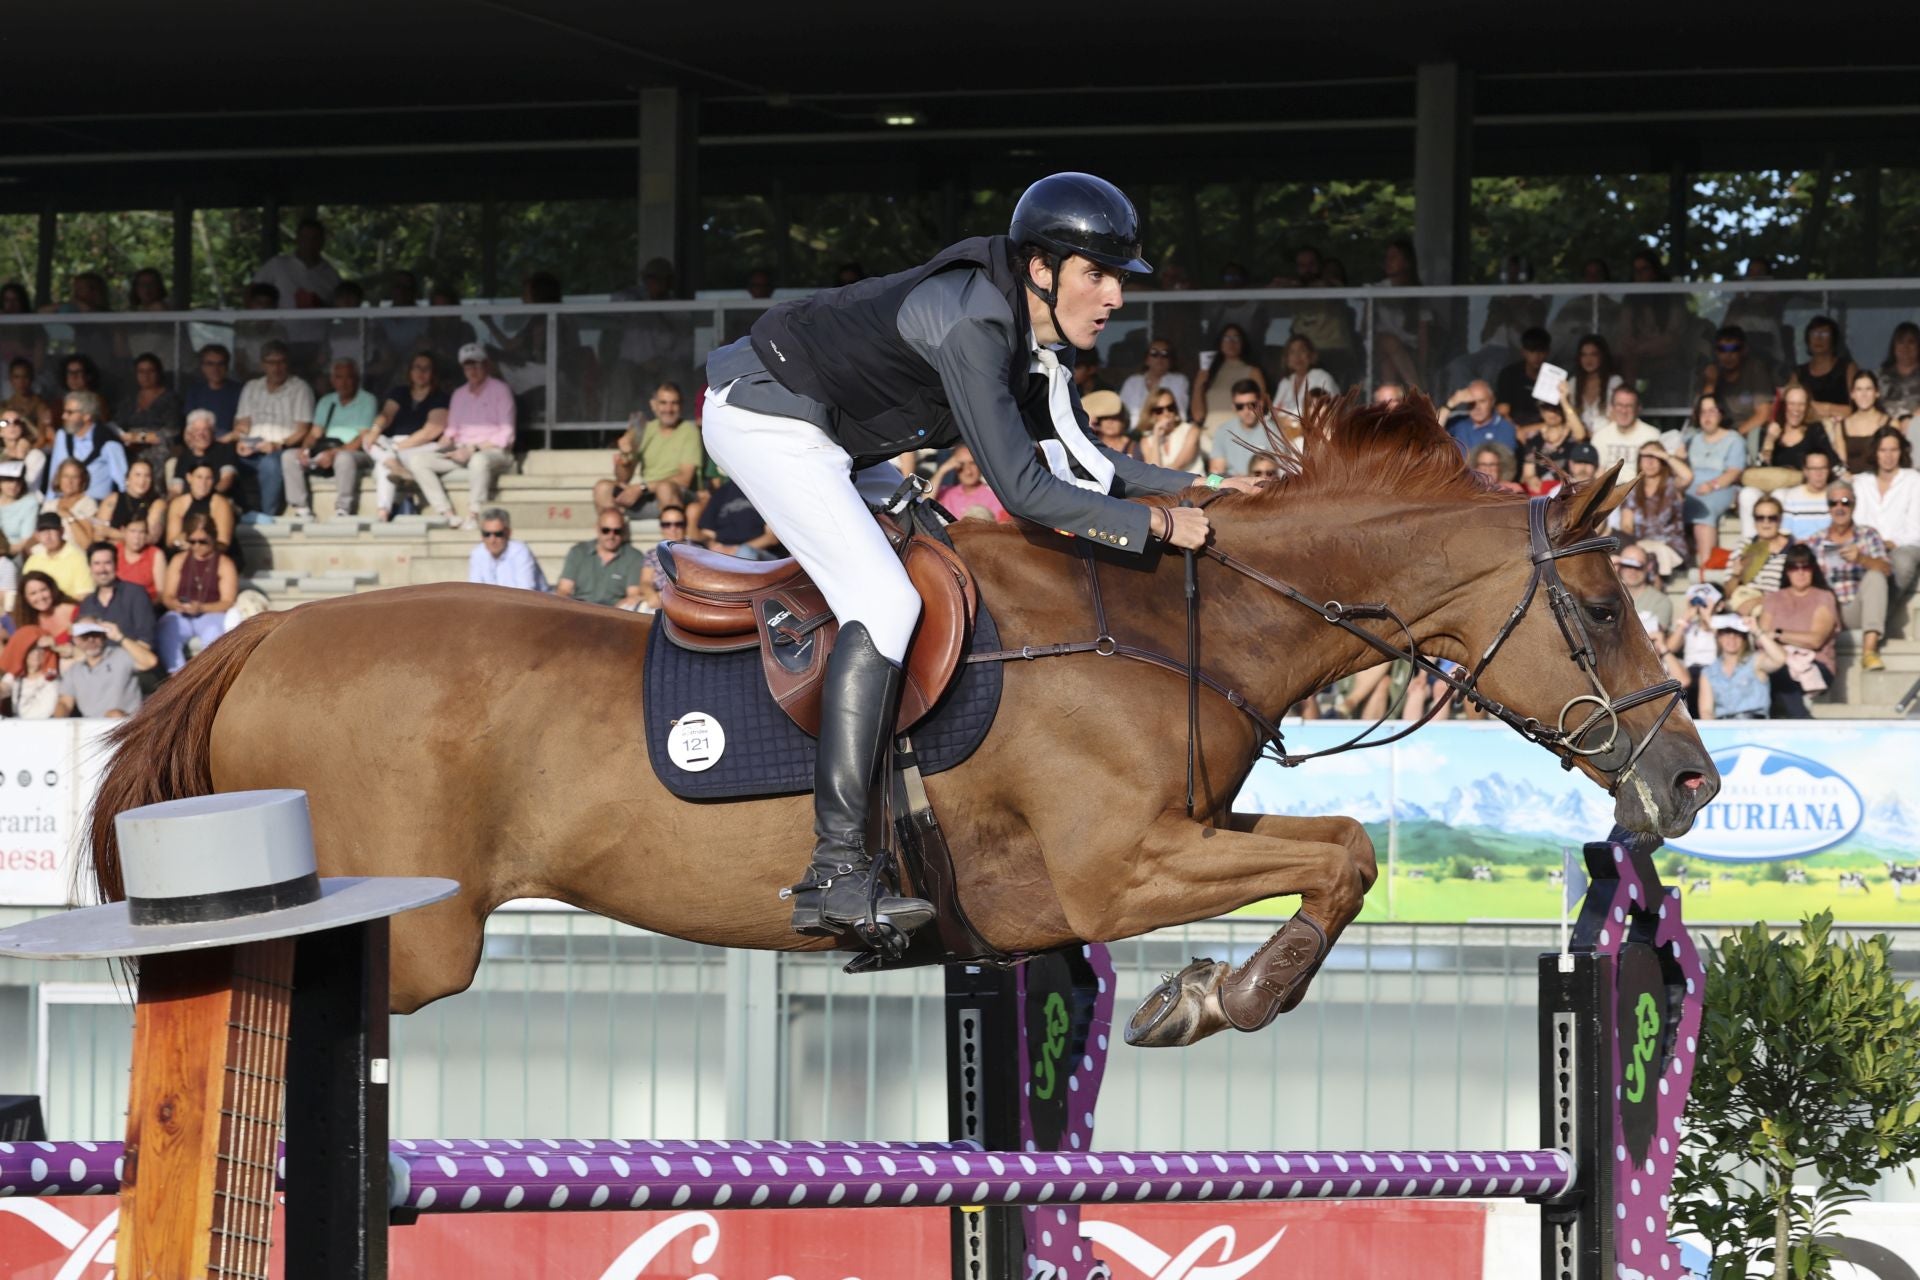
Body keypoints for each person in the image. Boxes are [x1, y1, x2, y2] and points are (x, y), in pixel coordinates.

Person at [700, 172, 1236, 942]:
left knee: (944, 560)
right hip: (766, 417)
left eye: (1119, 277)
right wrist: (1154, 527)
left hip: (833, 430)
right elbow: (1024, 490)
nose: (1116, 297)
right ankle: (837, 870)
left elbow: (1091, 461)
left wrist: (1217, 486)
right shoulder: (976, 324)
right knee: (885, 602)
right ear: (1041, 271)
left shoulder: (1037, 342)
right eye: (1100, 275)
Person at [400, 343, 514, 527]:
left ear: (486, 365)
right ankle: (447, 513)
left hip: (494, 452)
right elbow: (451, 431)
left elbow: (506, 435)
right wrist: (444, 447)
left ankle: (476, 514)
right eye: (468, 366)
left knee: (479, 460)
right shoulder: (459, 394)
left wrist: (474, 449)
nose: (472, 370)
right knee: (418, 460)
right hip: (461, 452)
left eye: (476, 364)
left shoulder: (501, 390)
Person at [1807, 479, 1894, 670]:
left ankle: (1869, 651)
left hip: (1856, 608)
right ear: (1828, 507)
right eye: (1833, 503)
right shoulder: (1815, 541)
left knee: (1876, 576)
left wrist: (1862, 559)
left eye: (1845, 502)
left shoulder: (1868, 535)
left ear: (1854, 505)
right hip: (1828, 609)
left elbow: (1887, 569)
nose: (1839, 507)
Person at [230, 340, 315, 515]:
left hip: (283, 448)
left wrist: (278, 445)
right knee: (225, 457)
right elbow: (242, 423)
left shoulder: (300, 388)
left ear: (288, 364)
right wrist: (242, 441)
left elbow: (303, 429)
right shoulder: (252, 387)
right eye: (271, 363)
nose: (277, 368)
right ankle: (235, 513)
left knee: (270, 464)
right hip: (253, 446)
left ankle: (267, 516)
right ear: (263, 365)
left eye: (281, 362)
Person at [283, 358, 375, 519]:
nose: (344, 383)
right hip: (325, 451)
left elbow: (362, 438)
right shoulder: (327, 401)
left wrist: (334, 453)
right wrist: (305, 450)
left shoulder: (367, 400)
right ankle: (301, 509)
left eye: (348, 377)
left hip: (356, 453)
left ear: (356, 379)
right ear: (332, 380)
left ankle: (343, 509)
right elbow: (314, 433)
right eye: (339, 377)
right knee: (289, 456)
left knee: (344, 458)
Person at [364, 352, 452, 520]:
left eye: (427, 369)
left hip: (421, 447)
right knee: (368, 439)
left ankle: (383, 513)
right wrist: (375, 430)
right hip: (394, 443)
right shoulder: (400, 391)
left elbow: (430, 432)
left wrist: (395, 449)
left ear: (433, 373)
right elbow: (387, 414)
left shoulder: (440, 397)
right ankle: (394, 464)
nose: (421, 372)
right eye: (417, 367)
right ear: (410, 371)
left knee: (383, 464)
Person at [594, 382, 702, 516]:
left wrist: (642, 488)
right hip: (646, 495)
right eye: (663, 403)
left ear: (681, 405)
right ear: (654, 405)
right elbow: (623, 478)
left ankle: (671, 535)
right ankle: (611, 533)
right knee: (602, 488)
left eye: (674, 403)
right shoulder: (643, 429)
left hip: (677, 495)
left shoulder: (689, 431)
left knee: (665, 488)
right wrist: (625, 456)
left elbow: (685, 479)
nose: (668, 409)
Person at [1759, 545, 1838, 717]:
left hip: (1815, 663)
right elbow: (1761, 638)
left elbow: (1815, 640)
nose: (1800, 572)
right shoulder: (1773, 598)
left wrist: (1779, 634)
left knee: (1782, 675)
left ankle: (1801, 722)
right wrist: (1787, 641)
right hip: (1777, 660)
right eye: (1794, 567)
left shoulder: (1824, 597)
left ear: (1813, 569)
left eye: (1805, 567)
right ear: (1787, 571)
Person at [155, 512, 239, 672]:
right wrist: (177, 604)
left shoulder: (224, 563)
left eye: (202, 541)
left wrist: (200, 608)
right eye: (192, 542)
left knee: (213, 634)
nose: (197, 546)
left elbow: (228, 601)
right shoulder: (179, 560)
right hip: (182, 613)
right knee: (166, 629)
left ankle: (207, 676)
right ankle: (176, 675)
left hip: (211, 613)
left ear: (212, 539)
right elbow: (167, 596)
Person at [1851, 425, 1920, 618]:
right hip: (1867, 545)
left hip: (1903, 545)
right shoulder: (1861, 482)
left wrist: (1890, 543)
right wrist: (1872, 545)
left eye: (1893, 450)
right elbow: (1857, 522)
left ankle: (1875, 621)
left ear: (1901, 452)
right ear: (1875, 452)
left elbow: (1916, 530)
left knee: (1902, 562)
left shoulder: (1914, 480)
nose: (1888, 456)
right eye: (1883, 450)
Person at [1678, 393, 1746, 571]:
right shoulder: (1691, 438)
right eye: (1703, 412)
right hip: (1691, 486)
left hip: (1720, 487)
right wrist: (1679, 458)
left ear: (1721, 414)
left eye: (1712, 411)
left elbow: (1734, 472)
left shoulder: (1734, 439)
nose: (1707, 416)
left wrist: (1711, 485)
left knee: (1702, 513)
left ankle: (1706, 569)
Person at [1618, 444, 1693, 581]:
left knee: (1655, 554)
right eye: (1646, 457)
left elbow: (1688, 476)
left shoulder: (1673, 485)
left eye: (1655, 457)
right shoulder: (1632, 490)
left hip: (1671, 548)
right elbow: (1626, 525)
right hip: (1642, 546)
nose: (1650, 462)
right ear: (1639, 461)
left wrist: (1665, 455)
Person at [1695, 615, 1788, 720]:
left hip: (1754, 726)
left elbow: (1780, 659)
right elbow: (1706, 711)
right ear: (1719, 637)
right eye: (1726, 633)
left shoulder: (1755, 661)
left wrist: (1756, 630)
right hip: (1724, 728)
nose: (1732, 638)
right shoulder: (1709, 672)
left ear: (1744, 638)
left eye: (1737, 634)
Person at [53, 618, 150, 718]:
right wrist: (58, 723)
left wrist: (119, 637)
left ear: (103, 635)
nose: (91, 640)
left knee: (114, 714)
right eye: (84, 636)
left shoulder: (120, 655)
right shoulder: (74, 670)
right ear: (76, 640)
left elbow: (150, 662)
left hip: (126, 725)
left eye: (95, 634)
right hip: (91, 728)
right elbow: (65, 703)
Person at [555, 507, 647, 608]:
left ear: (623, 531)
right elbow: (564, 590)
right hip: (580, 610)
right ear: (597, 528)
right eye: (605, 530)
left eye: (617, 531)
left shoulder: (634, 557)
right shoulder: (578, 552)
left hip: (616, 613)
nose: (611, 536)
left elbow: (633, 595)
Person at [48, 391, 127, 502]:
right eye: (64, 411)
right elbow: (54, 474)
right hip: (62, 504)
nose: (63, 416)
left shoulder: (109, 442)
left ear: (87, 416)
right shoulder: (62, 436)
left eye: (69, 412)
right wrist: (49, 506)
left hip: (95, 507)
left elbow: (124, 482)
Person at [1699, 325, 1775, 440]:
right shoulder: (1712, 371)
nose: (1728, 356)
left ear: (1743, 350)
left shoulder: (1755, 369)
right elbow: (1700, 415)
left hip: (1747, 435)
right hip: (1715, 434)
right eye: (1722, 349)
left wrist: (1732, 437)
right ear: (1716, 352)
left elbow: (1763, 414)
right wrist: (1710, 383)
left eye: (1734, 349)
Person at [1190, 324, 1265, 432]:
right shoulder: (1209, 372)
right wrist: (1198, 385)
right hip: (1209, 437)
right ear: (1220, 343)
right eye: (1226, 338)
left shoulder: (1253, 371)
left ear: (1242, 343)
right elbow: (1198, 416)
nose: (1231, 342)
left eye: (1236, 338)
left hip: (1239, 437)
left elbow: (1260, 408)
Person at [117, 352, 183, 474]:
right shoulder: (130, 399)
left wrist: (140, 438)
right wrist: (127, 439)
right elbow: (119, 426)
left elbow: (172, 431)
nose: (146, 376)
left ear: (158, 373)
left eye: (150, 371)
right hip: (131, 449)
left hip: (160, 450)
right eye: (141, 372)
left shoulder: (170, 399)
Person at [1729, 496, 1794, 617]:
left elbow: (1797, 592)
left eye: (1772, 518)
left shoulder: (1793, 549)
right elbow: (1727, 593)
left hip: (1778, 607)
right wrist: (1735, 576)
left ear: (1780, 520)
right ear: (1754, 521)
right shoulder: (1744, 546)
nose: (1766, 522)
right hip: (1742, 604)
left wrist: (1759, 601)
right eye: (1760, 518)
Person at [1789, 315, 1856, 424]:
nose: (1818, 338)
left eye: (1825, 334)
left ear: (1833, 339)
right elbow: (1789, 408)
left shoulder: (1847, 368)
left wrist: (1824, 408)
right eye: (1814, 334)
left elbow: (1856, 409)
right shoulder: (1799, 373)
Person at [1206, 381, 1279, 480]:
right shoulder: (1223, 431)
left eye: (1251, 405)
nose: (1246, 411)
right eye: (1240, 406)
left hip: (1263, 488)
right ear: (1233, 407)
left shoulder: (1273, 431)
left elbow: (1280, 473)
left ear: (1260, 403)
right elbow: (1214, 476)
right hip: (1231, 488)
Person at [164, 460, 238, 555]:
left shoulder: (220, 504)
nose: (203, 483)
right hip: (184, 554)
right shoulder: (178, 504)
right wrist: (179, 542)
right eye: (199, 477)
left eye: (208, 478)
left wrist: (198, 547)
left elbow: (224, 543)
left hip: (215, 555)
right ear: (189, 478)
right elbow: (170, 541)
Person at [467, 508, 548, 590]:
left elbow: (525, 592)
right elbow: (475, 591)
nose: (492, 540)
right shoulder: (477, 553)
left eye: (498, 534)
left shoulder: (520, 551)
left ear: (508, 533)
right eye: (486, 534)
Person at [693, 478, 778, 556]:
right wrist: (716, 547)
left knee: (745, 553)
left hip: (759, 552)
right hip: (724, 551)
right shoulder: (722, 492)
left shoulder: (765, 492)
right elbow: (706, 531)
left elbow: (772, 538)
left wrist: (737, 549)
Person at [1588, 385, 1661, 475]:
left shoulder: (1652, 435)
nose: (1623, 411)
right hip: (1609, 488)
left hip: (1638, 487)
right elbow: (1596, 473)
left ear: (1638, 408)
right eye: (1619, 405)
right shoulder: (1600, 436)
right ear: (1612, 407)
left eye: (1629, 406)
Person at [1832, 370, 1892, 479]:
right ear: (1852, 394)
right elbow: (1840, 463)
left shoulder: (1890, 423)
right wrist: (1847, 479)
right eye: (1859, 389)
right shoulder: (1841, 426)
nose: (1864, 395)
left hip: (1882, 482)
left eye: (1868, 389)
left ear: (1877, 393)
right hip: (1852, 484)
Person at [1269, 334, 1337, 427]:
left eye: (1302, 350)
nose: (1297, 356)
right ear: (1287, 358)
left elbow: (1332, 413)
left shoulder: (1322, 377)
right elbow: (1272, 415)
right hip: (1285, 435)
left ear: (1311, 355)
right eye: (1292, 352)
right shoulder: (1285, 382)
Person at [930, 444, 1010, 523]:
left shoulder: (996, 496)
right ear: (954, 466)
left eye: (973, 463)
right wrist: (942, 470)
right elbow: (923, 503)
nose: (968, 471)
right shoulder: (946, 492)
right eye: (962, 464)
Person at [1118, 337, 1190, 425]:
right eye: (1154, 353)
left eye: (1165, 354)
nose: (1159, 358)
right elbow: (1120, 415)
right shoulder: (1132, 382)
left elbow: (1180, 415)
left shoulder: (1179, 381)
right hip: (1133, 434)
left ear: (1171, 360)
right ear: (1146, 359)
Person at [1492, 327, 1554, 428]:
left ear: (1547, 352)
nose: (1537, 356)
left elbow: (1556, 417)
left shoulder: (1553, 376)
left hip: (1546, 431)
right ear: (1523, 352)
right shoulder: (1509, 374)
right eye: (1532, 351)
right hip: (1513, 429)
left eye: (1541, 351)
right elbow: (1502, 412)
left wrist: (1529, 430)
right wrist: (1516, 431)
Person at [23, 511, 93, 599]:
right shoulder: (33, 561)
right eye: (43, 532)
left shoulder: (78, 558)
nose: (48, 536)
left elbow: (84, 595)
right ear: (37, 536)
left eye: (52, 530)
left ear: (62, 531)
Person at [98, 456, 165, 544]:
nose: (142, 480)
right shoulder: (112, 499)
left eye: (147, 476)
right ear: (127, 479)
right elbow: (99, 533)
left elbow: (152, 539)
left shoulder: (157, 503)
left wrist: (113, 533)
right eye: (137, 475)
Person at [1441, 379, 1518, 454]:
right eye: (1472, 402)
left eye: (1482, 401)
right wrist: (1451, 403)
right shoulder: (1457, 421)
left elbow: (1505, 462)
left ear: (1492, 401)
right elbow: (1431, 432)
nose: (1477, 407)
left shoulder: (1504, 427)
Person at [1135, 388, 1202, 473]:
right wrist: (1156, 437)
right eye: (1159, 410)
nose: (1166, 413)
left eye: (1170, 408)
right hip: (1165, 485)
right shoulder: (1146, 441)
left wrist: (1159, 475)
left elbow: (1179, 465)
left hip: (1195, 485)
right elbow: (1154, 473)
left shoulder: (1191, 430)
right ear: (1152, 414)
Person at [184, 344, 243, 439]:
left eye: (220, 364)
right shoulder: (195, 391)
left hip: (230, 443)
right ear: (202, 367)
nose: (215, 369)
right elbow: (190, 425)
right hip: (201, 441)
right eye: (210, 364)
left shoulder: (240, 391)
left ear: (227, 367)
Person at [1567, 335, 1622, 435]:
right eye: (1584, 355)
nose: (1588, 359)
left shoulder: (1614, 382)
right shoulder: (1573, 383)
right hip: (1578, 441)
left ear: (1602, 356)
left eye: (1594, 354)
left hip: (1607, 439)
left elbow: (1619, 416)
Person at [40, 458, 100, 551]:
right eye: (65, 476)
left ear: (82, 480)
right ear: (59, 479)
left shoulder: (88, 504)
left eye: (75, 477)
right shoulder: (49, 505)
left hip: (74, 555)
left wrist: (69, 517)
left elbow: (86, 544)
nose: (69, 481)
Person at [1612, 549, 1672, 630]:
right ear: (1619, 566)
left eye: (1638, 565)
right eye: (1627, 565)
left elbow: (1655, 636)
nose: (1632, 571)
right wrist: (1607, 571)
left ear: (1648, 567)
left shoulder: (1660, 601)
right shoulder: (1608, 597)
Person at [116, 518, 164, 603]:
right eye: (132, 531)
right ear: (123, 531)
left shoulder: (155, 554)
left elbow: (162, 594)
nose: (137, 537)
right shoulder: (115, 551)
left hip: (146, 606)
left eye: (142, 532)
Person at [1881, 321, 1920, 425]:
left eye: (1911, 342)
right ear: (1894, 346)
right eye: (1901, 342)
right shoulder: (1879, 376)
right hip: (1885, 433)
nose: (1905, 347)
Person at [0, 407, 46, 492]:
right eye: (4, 423)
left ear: (22, 427)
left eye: (16, 422)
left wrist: (20, 456)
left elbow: (24, 485)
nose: (12, 425)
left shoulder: (36, 455)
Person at [0, 460, 38, 550]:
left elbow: (25, 542)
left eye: (18, 481)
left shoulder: (29, 503)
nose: (14, 485)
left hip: (12, 556)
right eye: (9, 480)